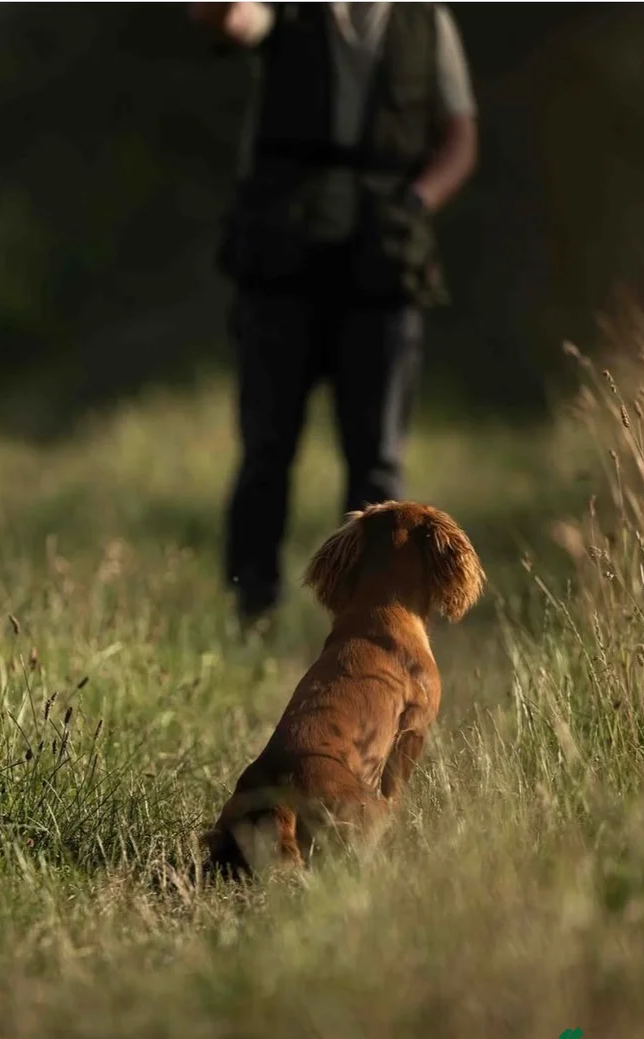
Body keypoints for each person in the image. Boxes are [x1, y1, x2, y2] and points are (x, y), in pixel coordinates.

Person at [191, 2, 478, 627]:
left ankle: (373, 615)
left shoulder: (426, 22)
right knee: (267, 446)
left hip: (384, 264)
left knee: (377, 458)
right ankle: (252, 605)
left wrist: (415, 200)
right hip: (282, 262)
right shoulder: (285, 12)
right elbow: (223, 16)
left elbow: (460, 136)